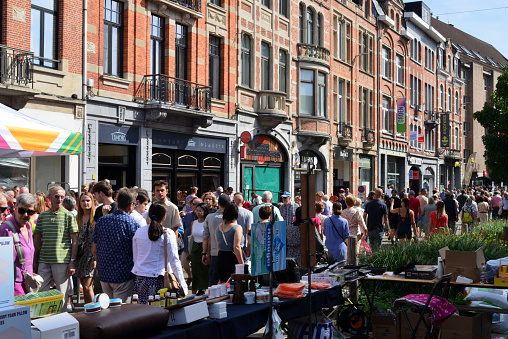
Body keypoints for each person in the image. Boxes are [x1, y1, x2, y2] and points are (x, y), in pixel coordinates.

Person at [132, 202, 188, 304]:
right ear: (164, 217)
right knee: (159, 311)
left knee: (140, 313)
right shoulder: (168, 233)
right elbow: (174, 261)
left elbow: (135, 257)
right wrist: (183, 284)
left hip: (140, 279)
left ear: (149, 214)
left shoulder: (139, 232)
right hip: (159, 280)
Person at [34, 186, 78, 311]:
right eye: (56, 196)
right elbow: (37, 240)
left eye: (62, 197)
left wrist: (72, 262)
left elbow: (75, 240)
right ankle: (43, 318)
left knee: (61, 294)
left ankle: (62, 320)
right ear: (49, 198)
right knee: (41, 292)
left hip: (61, 260)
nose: (59, 199)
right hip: (44, 259)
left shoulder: (68, 216)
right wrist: (34, 260)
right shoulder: (42, 216)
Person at [92, 188, 140, 303]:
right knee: (120, 312)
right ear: (131, 205)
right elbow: (138, 251)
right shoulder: (132, 223)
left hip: (104, 274)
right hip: (124, 275)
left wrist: (102, 265)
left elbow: (94, 249)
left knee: (108, 309)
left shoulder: (101, 221)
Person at [0, 193, 37, 296]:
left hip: (29, 283)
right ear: (15, 209)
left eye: (30, 212)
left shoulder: (29, 226)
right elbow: (3, 264)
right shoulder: (6, 230)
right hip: (14, 286)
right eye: (22, 211)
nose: (25, 215)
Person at [202, 194, 230, 286]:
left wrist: (204, 253)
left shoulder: (209, 217)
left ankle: (212, 299)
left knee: (213, 282)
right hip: (228, 253)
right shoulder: (231, 218)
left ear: (218, 204)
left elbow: (205, 237)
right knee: (228, 282)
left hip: (214, 253)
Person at [214, 203, 244, 283]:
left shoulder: (219, 227)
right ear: (237, 214)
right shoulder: (237, 228)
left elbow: (218, 245)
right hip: (232, 259)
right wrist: (242, 264)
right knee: (236, 286)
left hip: (221, 258)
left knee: (224, 285)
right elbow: (236, 247)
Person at [75, 192, 96, 304]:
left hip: (91, 254)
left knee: (87, 286)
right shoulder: (77, 218)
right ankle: (88, 308)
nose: (85, 203)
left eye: (88, 200)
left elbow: (98, 239)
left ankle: (92, 309)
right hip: (80, 254)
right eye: (83, 201)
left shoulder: (95, 217)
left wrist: (94, 258)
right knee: (85, 285)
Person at [189, 203, 210, 295]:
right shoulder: (193, 223)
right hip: (195, 247)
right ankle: (194, 290)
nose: (198, 213)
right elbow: (192, 237)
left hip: (204, 246)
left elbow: (208, 238)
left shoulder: (207, 222)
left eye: (200, 211)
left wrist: (207, 252)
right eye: (197, 210)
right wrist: (189, 251)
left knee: (204, 269)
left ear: (205, 212)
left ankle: (203, 288)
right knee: (195, 270)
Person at [233, 193, 253, 258]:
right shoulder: (249, 213)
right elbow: (249, 229)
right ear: (243, 201)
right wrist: (249, 246)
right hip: (243, 246)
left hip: (231, 245)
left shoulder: (230, 212)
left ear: (233, 201)